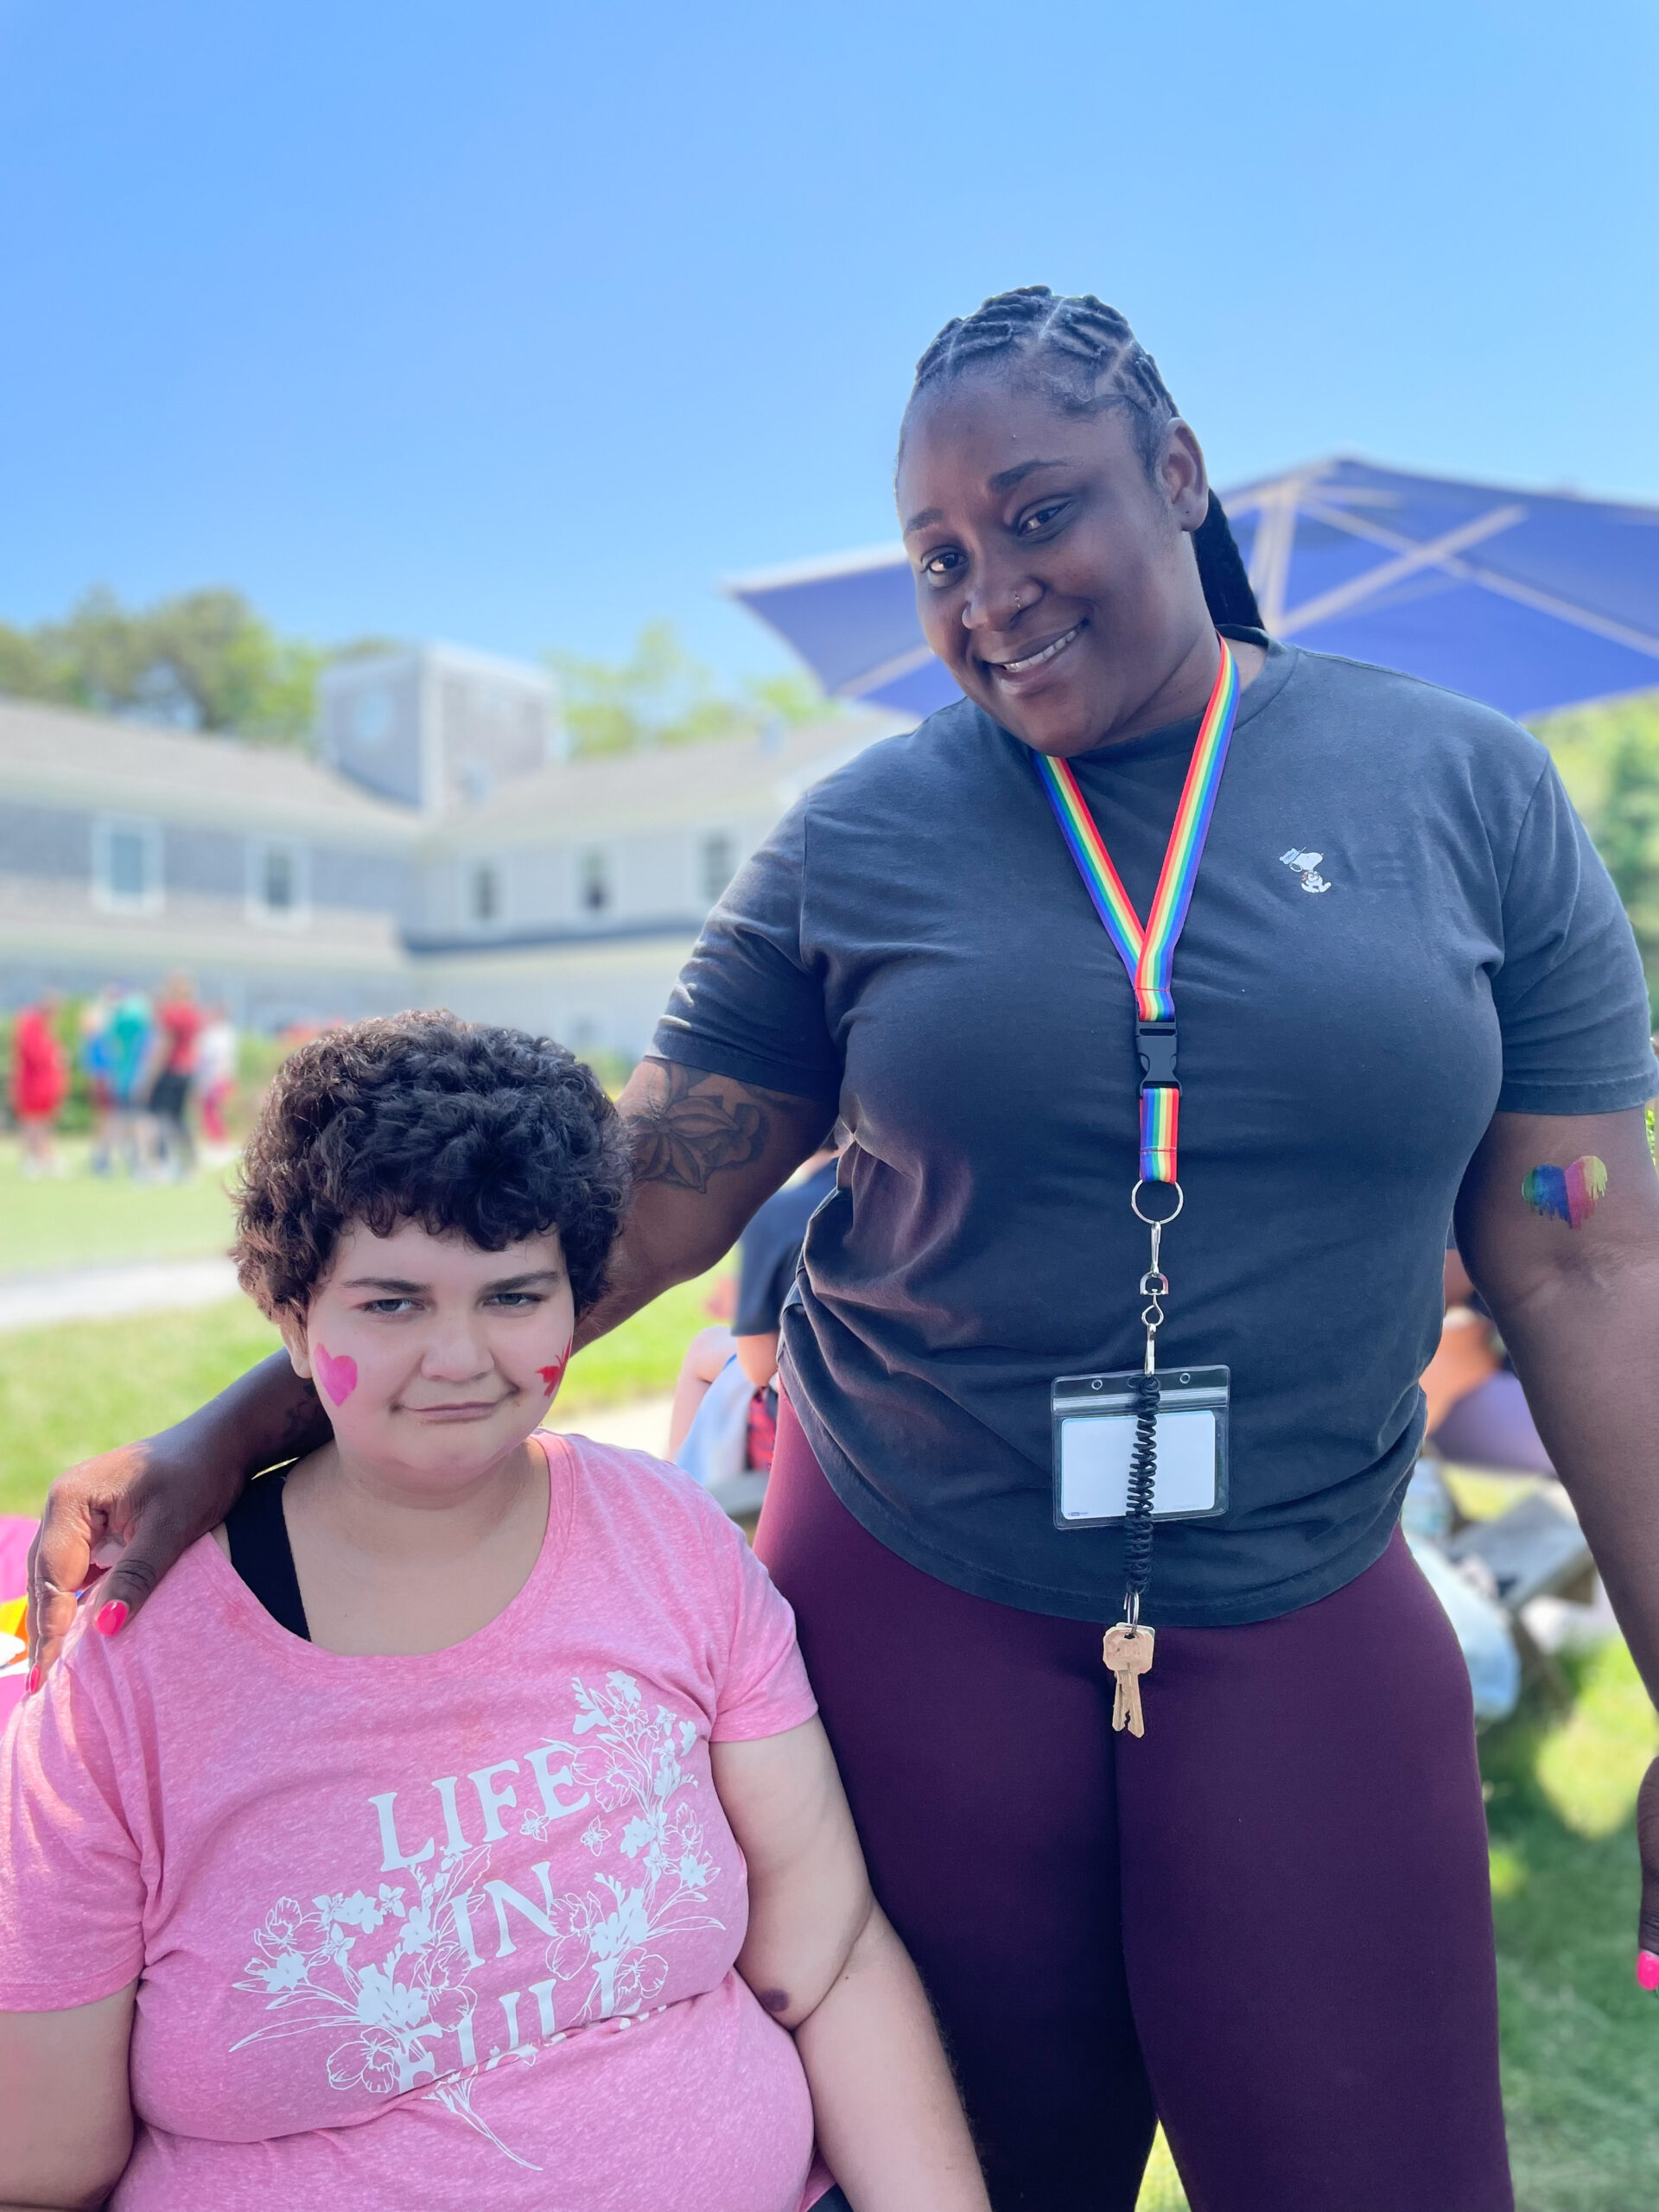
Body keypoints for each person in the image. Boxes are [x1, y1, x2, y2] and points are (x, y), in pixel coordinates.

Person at [28, 288, 1659, 2212]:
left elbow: (1585, 1264)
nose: (989, 591)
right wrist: (241, 1423)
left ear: (1179, 473)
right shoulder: (858, 836)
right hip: (913, 1619)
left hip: (1304, 1596)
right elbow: (626, 1201)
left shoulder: (1464, 792)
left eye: (1040, 511)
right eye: (938, 555)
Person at [1, 1014, 988, 2212]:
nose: (460, 1356)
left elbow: (826, 1958)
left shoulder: (672, 1547)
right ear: (294, 1323)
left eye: (515, 1294)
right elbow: (44, 2157)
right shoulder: (129, 1672)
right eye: (394, 1303)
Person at [148, 971, 203, 1177]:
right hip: (187, 1071)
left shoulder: (170, 1013)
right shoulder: (193, 1013)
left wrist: (149, 1078)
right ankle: (189, 1164)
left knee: (161, 1119)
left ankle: (161, 1164)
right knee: (180, 1120)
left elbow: (165, 1046)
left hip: (170, 1070)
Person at [9, 994, 67, 1176]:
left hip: (44, 1086)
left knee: (44, 1122)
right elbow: (36, 1055)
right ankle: (32, 1158)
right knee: (32, 1122)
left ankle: (44, 1157)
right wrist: (55, 1056)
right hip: (33, 1084)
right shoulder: (30, 1025)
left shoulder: (44, 1027)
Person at [193, 1002, 237, 1154]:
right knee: (212, 1111)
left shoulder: (216, 1035)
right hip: (220, 1077)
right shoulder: (225, 1033)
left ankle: (219, 1142)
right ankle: (216, 1141)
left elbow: (208, 1057)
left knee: (213, 1111)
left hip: (215, 1078)